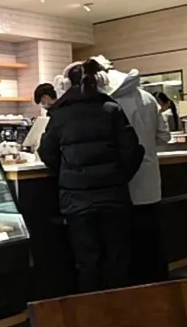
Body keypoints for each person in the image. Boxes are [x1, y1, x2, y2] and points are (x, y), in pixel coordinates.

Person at [39, 59, 145, 292]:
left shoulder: (60, 115)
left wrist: (68, 172)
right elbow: (133, 151)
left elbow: (47, 153)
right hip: (113, 197)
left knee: (87, 262)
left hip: (77, 200)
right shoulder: (111, 109)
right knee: (117, 259)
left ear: (65, 85)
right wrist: (118, 176)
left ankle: (91, 310)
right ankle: (119, 308)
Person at [102, 60, 172, 283]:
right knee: (153, 238)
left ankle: (136, 290)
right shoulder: (148, 98)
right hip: (150, 179)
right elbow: (164, 136)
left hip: (124, 182)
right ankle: (160, 284)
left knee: (127, 243)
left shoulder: (108, 102)